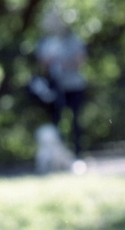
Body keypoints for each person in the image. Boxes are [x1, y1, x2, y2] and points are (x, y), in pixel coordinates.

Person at [36, 10, 88, 160]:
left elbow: (81, 60)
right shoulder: (47, 41)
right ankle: (57, 156)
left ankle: (78, 154)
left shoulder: (74, 40)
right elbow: (42, 64)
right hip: (56, 88)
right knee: (56, 122)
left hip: (74, 86)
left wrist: (64, 63)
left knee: (76, 121)